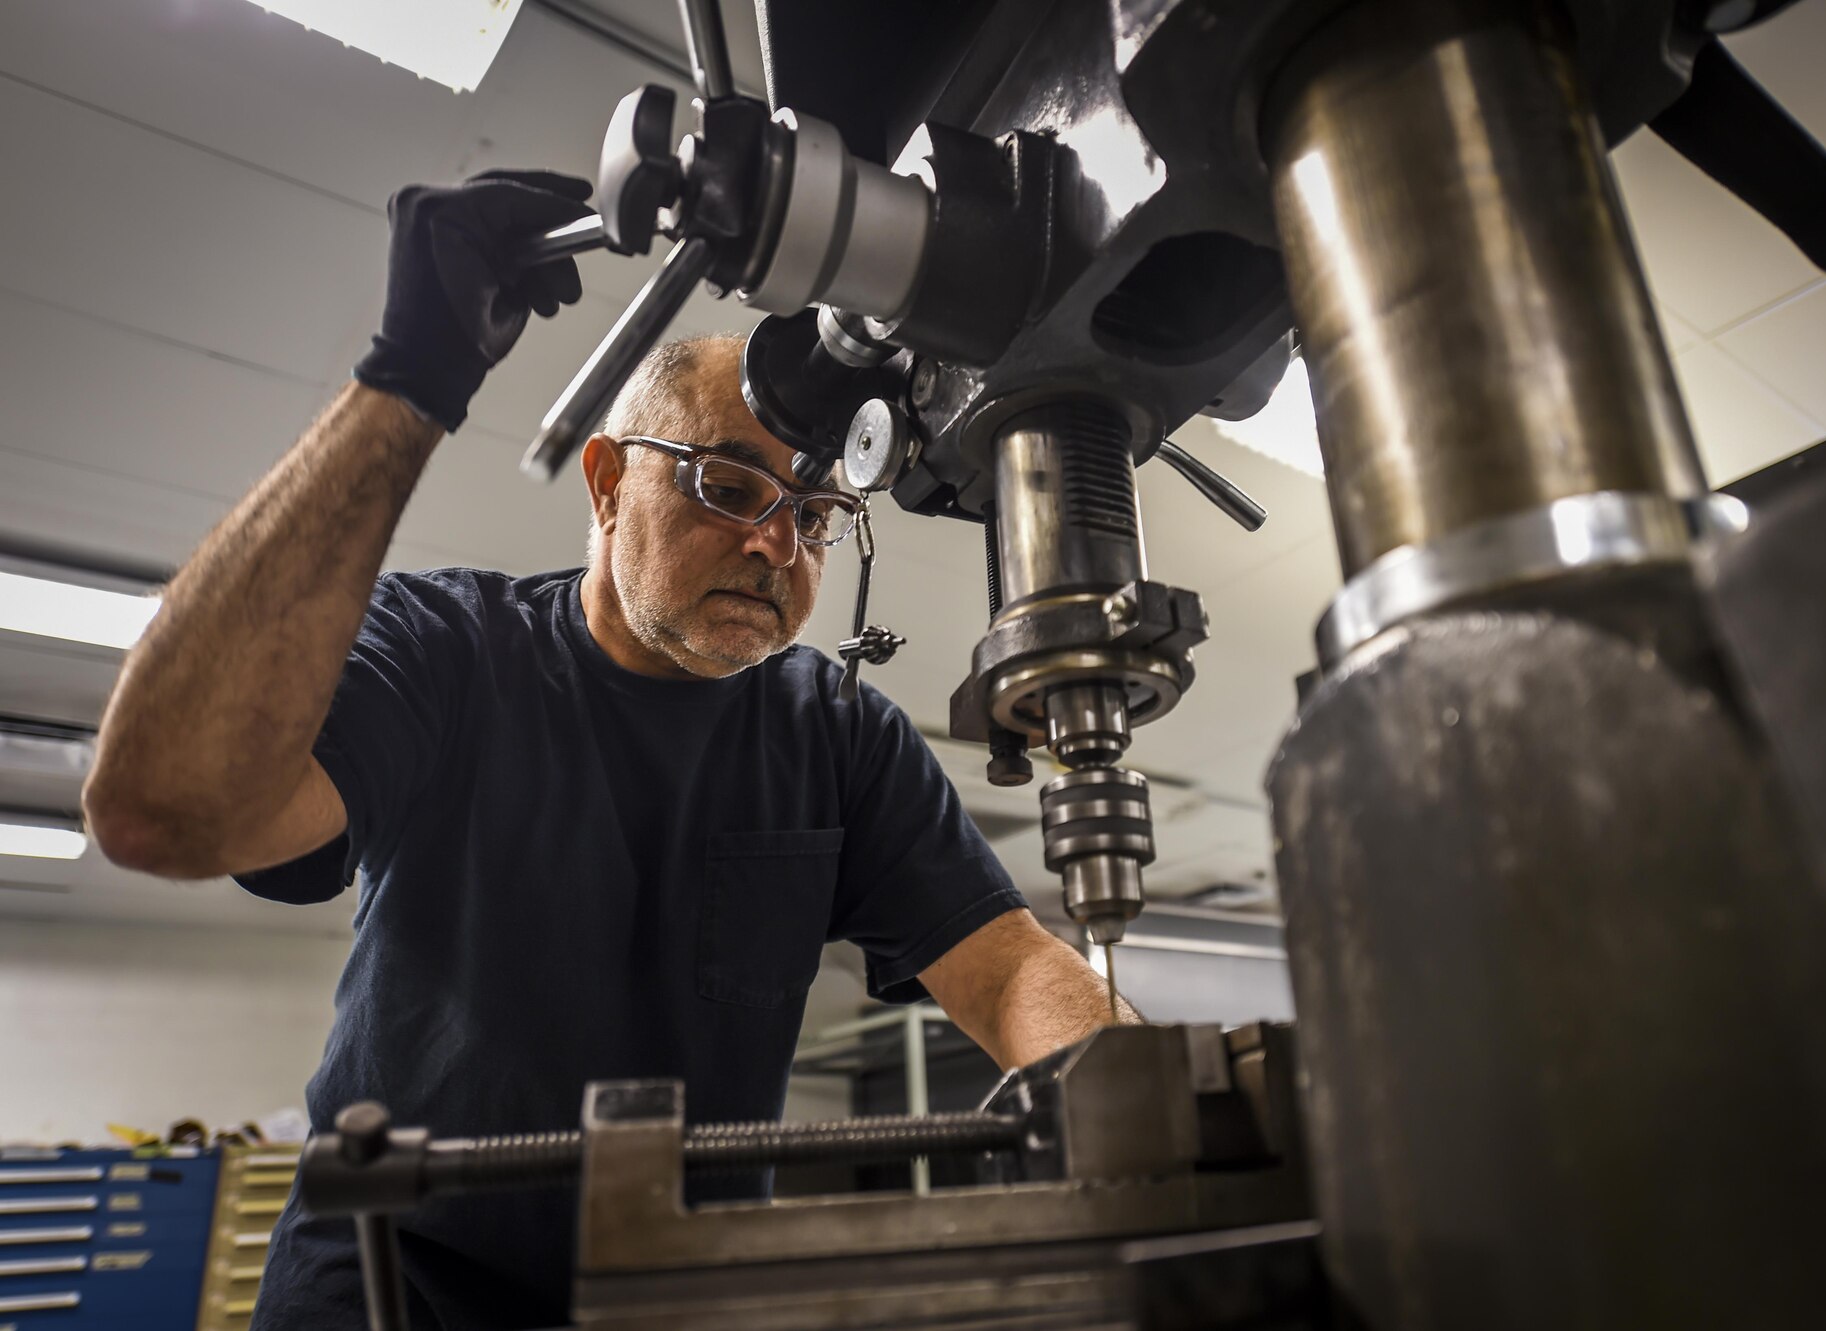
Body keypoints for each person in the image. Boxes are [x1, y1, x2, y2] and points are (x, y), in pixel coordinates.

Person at [83, 169, 1133, 1329]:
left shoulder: (835, 731)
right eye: (728, 486)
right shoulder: (445, 650)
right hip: (392, 1280)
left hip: (679, 1292)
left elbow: (1005, 965)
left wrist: (1132, 1114)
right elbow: (163, 808)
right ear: (605, 483)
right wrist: (409, 380)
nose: (778, 546)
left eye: (818, 511)